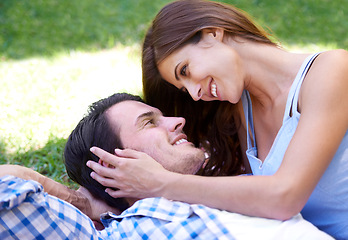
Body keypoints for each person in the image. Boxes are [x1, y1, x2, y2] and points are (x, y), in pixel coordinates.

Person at [86, 0, 348, 239]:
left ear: (212, 32)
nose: (194, 94)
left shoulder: (331, 70)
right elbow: (243, 194)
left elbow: (284, 197)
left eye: (185, 70)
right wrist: (104, 201)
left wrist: (161, 184)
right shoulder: (241, 110)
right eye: (183, 87)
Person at [0, 93, 333, 239]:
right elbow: (7, 185)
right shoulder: (124, 233)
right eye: (149, 123)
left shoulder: (246, 183)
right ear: (111, 164)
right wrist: (83, 203)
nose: (178, 121)